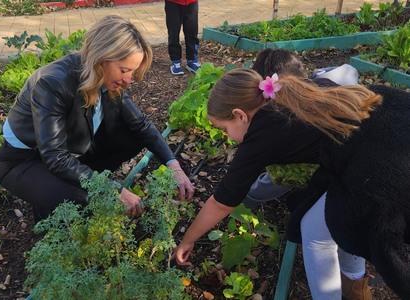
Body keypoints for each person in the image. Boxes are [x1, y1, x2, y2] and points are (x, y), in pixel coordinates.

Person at [172, 68, 410, 299]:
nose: (228, 137)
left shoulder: (259, 136)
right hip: (393, 113)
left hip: (382, 162)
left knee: (316, 233)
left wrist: (188, 239)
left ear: (240, 115)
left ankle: (344, 290)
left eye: (224, 130)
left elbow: (222, 202)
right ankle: (355, 286)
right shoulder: (288, 92)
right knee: (341, 214)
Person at [0, 15, 195, 222]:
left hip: (69, 152)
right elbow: (55, 157)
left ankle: (78, 181)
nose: (128, 80)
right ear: (102, 58)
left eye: (132, 72)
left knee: (133, 137)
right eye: (124, 70)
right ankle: (48, 205)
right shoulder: (53, 83)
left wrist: (174, 166)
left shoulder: (106, 80)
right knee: (85, 199)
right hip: (25, 161)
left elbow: (141, 125)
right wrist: (112, 190)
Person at [245, 48, 359, 209]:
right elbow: (350, 70)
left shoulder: (293, 125)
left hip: (352, 177)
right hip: (368, 150)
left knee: (298, 205)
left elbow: (274, 179)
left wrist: (244, 198)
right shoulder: (331, 79)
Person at [165, 0, 201, 75]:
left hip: (192, 2)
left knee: (192, 31)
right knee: (173, 33)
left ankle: (192, 60)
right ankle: (175, 61)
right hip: (173, 3)